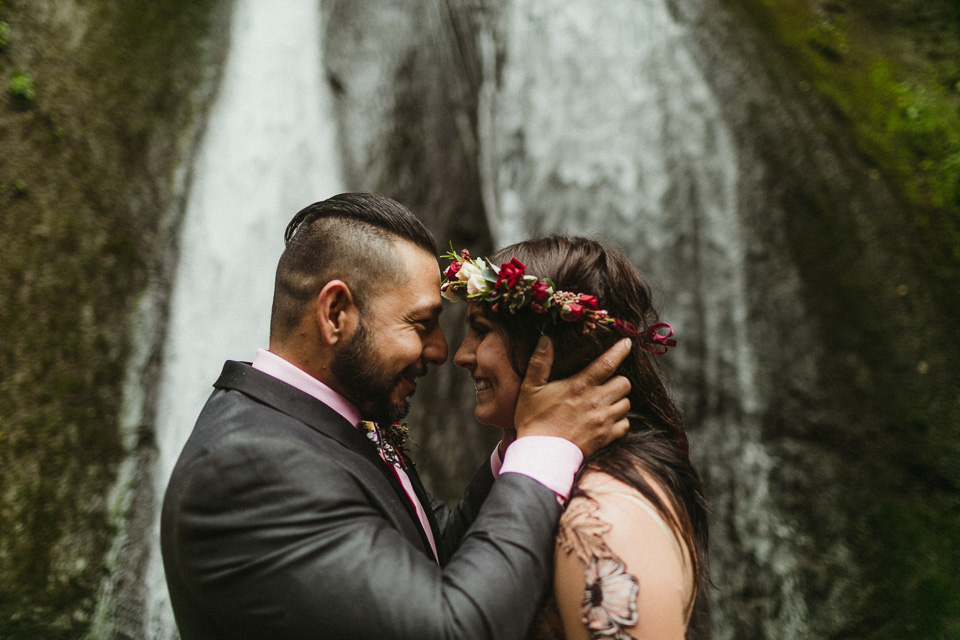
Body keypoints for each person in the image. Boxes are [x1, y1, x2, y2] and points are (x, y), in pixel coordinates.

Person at [160, 193, 634, 640]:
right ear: (335, 314)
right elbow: (451, 630)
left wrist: (519, 442)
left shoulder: (318, 424)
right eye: (420, 323)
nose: (441, 350)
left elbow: (433, 551)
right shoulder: (253, 467)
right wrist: (546, 447)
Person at [443, 235, 710, 640]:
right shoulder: (568, 479)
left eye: (481, 331)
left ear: (547, 345)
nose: (462, 355)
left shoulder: (604, 519)